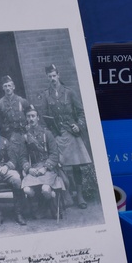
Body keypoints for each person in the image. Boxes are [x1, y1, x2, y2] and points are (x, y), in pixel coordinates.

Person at [37, 64, 92, 209]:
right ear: (47, 78)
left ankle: (79, 196)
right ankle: (66, 195)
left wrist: (78, 125)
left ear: (58, 75)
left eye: (54, 75)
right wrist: (50, 134)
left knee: (76, 166)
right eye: (50, 76)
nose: (52, 79)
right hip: (56, 134)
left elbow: (81, 112)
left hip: (71, 133)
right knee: (58, 166)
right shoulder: (46, 95)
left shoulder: (69, 92)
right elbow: (43, 117)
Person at [22, 105, 66, 219]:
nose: (31, 119)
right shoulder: (25, 136)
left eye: (33, 116)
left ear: (38, 117)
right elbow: (23, 157)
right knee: (27, 190)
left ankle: (52, 206)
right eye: (28, 116)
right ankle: (41, 205)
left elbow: (54, 154)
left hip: (48, 168)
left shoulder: (47, 133)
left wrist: (45, 168)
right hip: (34, 168)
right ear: (26, 118)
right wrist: (29, 169)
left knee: (46, 189)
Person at [0, 75, 30, 144]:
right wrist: (5, 128)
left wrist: (28, 127)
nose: (7, 88)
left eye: (9, 85)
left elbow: (30, 114)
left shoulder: (22, 101)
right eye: (5, 86)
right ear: (3, 88)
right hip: (9, 135)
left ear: (13, 87)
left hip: (23, 133)